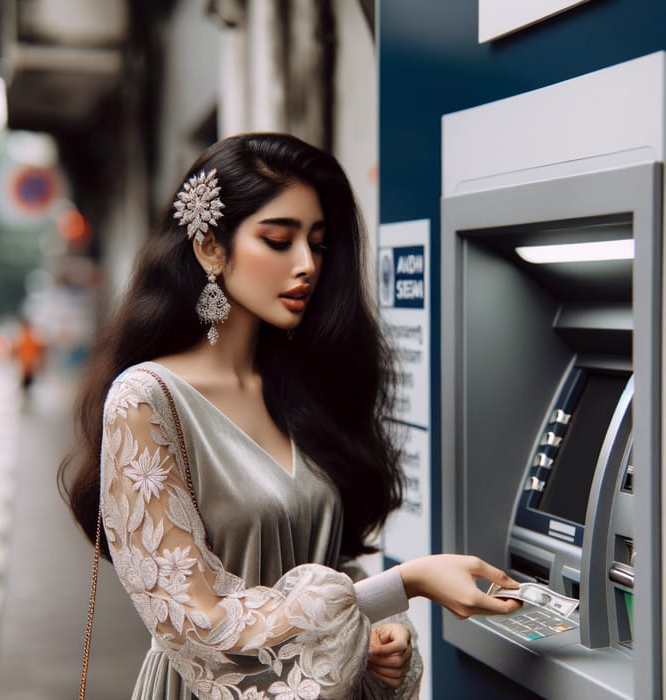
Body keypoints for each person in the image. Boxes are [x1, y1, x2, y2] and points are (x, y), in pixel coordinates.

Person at [60, 133, 520, 699]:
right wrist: (406, 582)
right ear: (209, 247)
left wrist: (378, 638)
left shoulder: (306, 390)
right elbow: (197, 621)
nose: (306, 264)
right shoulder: (146, 401)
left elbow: (329, 564)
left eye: (319, 244)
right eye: (278, 240)